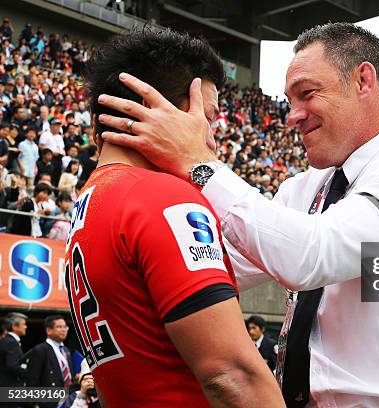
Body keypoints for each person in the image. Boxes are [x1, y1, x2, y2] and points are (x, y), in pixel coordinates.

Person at [98, 22, 379, 407]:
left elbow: (311, 257)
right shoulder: (305, 187)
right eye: (289, 100)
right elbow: (221, 265)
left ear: (364, 80)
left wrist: (199, 163)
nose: (292, 115)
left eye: (307, 94)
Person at [64, 28, 283, 407]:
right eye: (209, 118)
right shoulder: (161, 195)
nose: (212, 138)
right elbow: (230, 375)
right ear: (174, 112)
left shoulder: (91, 200)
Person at [25, 315, 72, 408]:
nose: (63, 330)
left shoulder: (66, 350)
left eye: (65, 327)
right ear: (48, 330)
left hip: (67, 401)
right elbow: (32, 380)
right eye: (59, 327)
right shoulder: (40, 350)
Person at [0, 313, 28, 387]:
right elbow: (12, 366)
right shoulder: (11, 343)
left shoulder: (6, 340)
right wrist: (30, 373)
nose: (26, 327)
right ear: (14, 327)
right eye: (24, 324)